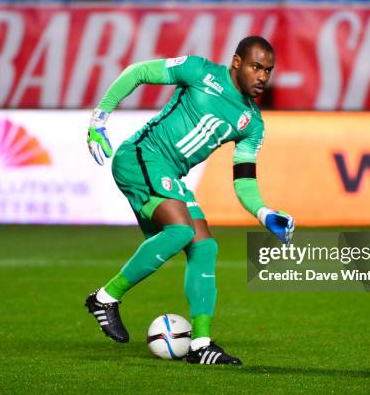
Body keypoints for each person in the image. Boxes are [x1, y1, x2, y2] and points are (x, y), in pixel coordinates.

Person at [84, 36, 294, 366]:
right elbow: (137, 72)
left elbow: (244, 179)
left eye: (268, 70)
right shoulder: (198, 71)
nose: (263, 77)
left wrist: (263, 212)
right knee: (182, 231)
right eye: (256, 67)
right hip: (141, 156)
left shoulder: (252, 123)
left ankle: (200, 345)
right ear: (237, 62)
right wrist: (100, 118)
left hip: (170, 176)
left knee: (204, 246)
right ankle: (105, 298)